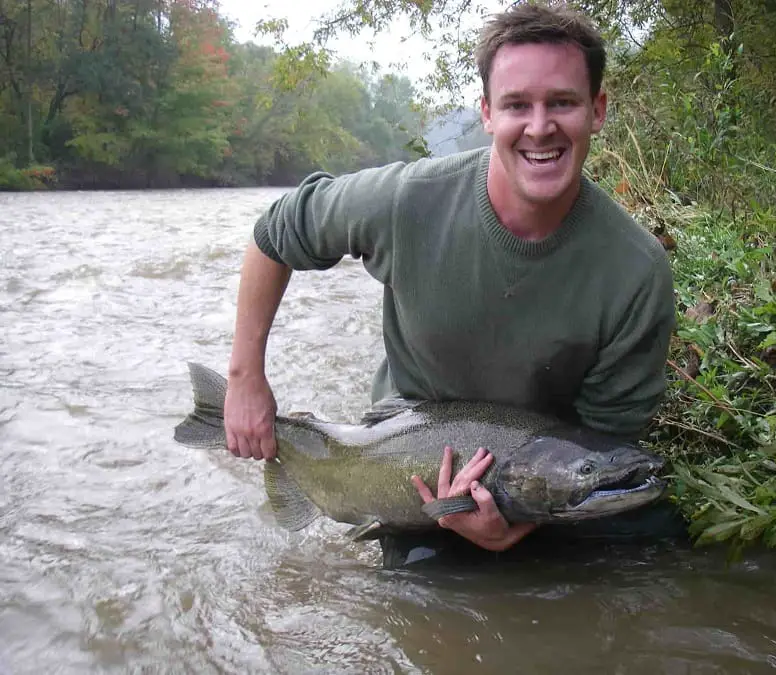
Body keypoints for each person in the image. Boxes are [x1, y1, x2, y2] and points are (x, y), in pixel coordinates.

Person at [223, 4, 676, 560]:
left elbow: (606, 440)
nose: (539, 127)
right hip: (407, 466)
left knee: (653, 547)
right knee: (432, 604)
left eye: (562, 102)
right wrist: (245, 380)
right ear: (486, 114)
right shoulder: (406, 201)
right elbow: (275, 232)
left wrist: (517, 527)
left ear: (597, 110)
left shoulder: (636, 270)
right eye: (517, 105)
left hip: (536, 479)